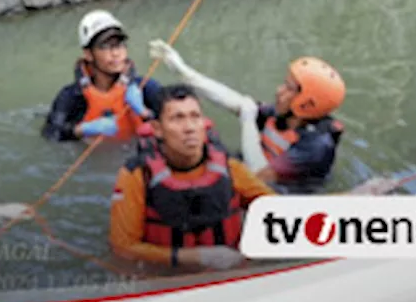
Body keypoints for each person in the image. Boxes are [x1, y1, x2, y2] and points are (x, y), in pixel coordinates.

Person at [109, 85, 275, 271]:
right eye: (177, 118)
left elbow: (281, 212)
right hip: (164, 280)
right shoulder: (136, 176)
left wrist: (253, 252)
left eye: (195, 117)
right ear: (157, 129)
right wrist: (196, 257)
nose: (189, 128)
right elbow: (123, 248)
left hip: (229, 275)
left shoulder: (231, 169)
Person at [149, 40, 348, 194]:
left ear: (306, 103)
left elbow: (259, 176)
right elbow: (238, 103)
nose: (279, 91)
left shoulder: (315, 146)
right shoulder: (286, 116)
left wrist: (247, 120)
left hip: (278, 196)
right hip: (255, 172)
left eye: (289, 88)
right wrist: (183, 71)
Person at [42, 10, 163, 143]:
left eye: (120, 45)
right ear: (88, 54)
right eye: (105, 46)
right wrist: (81, 129)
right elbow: (50, 133)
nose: (116, 53)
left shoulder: (145, 87)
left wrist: (145, 113)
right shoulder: (72, 96)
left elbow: (178, 121)